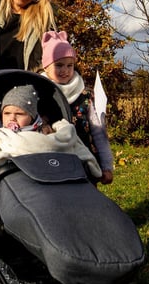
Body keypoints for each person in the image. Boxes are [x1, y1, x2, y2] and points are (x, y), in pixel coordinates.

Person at [0, 84, 102, 177]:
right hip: (16, 175)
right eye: (7, 113)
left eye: (20, 114)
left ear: (32, 116)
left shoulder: (43, 130)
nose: (12, 118)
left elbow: (50, 143)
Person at [40, 31, 114, 185]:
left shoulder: (84, 94)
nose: (65, 70)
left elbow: (98, 130)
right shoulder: (41, 94)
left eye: (70, 65)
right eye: (59, 65)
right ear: (46, 67)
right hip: (54, 159)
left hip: (84, 160)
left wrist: (107, 165)